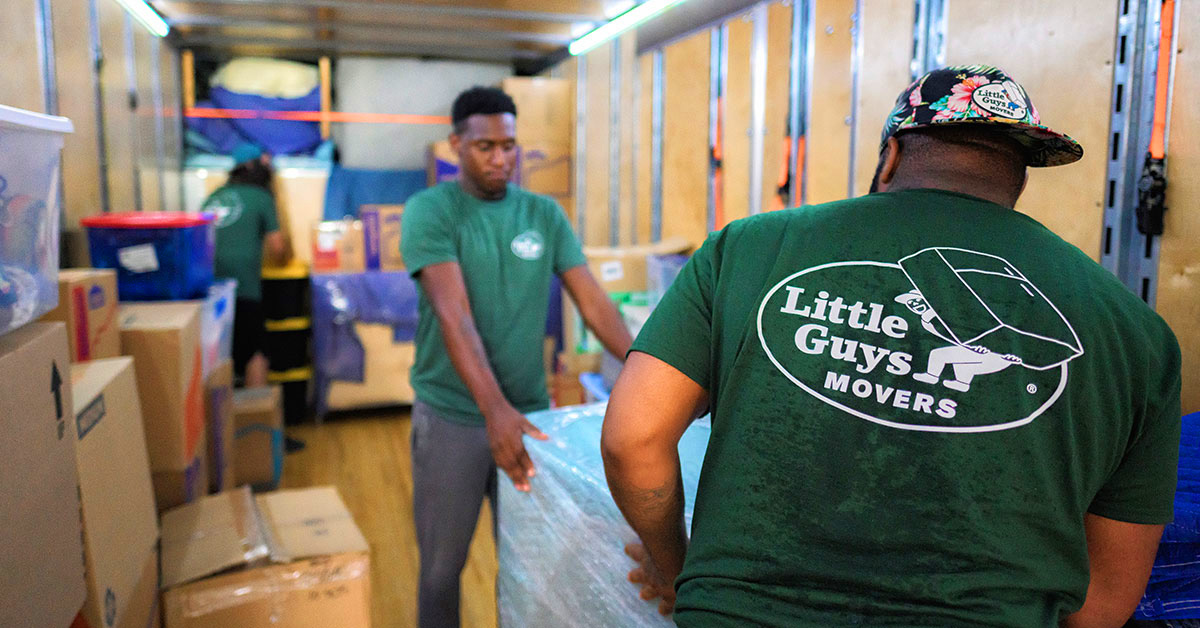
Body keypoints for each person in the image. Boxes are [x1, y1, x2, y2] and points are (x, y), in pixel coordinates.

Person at [602, 65, 1182, 627]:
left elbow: (633, 439)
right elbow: (1104, 603)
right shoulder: (1138, 334)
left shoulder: (748, 248)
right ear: (1020, 178)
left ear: (893, 157)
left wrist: (677, 568)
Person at [400, 86, 633, 628]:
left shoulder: (543, 214)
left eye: (510, 145)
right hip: (454, 416)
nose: (501, 158)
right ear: (456, 144)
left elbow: (594, 302)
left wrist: (647, 366)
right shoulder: (431, 211)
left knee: (529, 564)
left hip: (528, 417)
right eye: (485, 146)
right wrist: (494, 410)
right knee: (441, 570)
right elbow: (454, 317)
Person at [202, 143, 291, 387]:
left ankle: (223, 420)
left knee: (218, 356)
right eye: (265, 164)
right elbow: (278, 249)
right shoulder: (261, 197)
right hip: (243, 286)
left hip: (206, 288)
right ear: (252, 166)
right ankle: (255, 418)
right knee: (256, 352)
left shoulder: (213, 197)